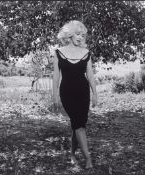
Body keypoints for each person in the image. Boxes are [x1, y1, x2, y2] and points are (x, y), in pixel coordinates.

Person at [53, 20, 97, 169]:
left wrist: (95, 94)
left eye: (83, 35)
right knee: (79, 126)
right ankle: (88, 159)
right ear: (70, 34)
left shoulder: (86, 53)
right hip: (67, 93)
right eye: (77, 34)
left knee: (78, 125)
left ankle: (72, 154)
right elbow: (56, 76)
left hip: (83, 93)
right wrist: (55, 95)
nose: (80, 37)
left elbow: (90, 76)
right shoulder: (58, 52)